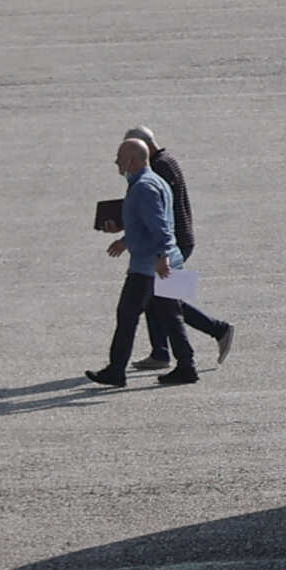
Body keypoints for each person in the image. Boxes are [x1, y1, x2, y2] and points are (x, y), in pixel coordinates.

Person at [85, 136, 197, 388]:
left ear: (132, 160)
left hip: (149, 267)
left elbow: (159, 228)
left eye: (120, 157)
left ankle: (116, 371)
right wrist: (126, 238)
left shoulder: (143, 187)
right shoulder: (153, 181)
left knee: (127, 315)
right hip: (170, 260)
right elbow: (151, 225)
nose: (116, 161)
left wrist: (161, 258)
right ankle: (187, 366)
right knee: (172, 315)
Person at [125, 124, 235, 371]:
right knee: (159, 298)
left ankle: (218, 329)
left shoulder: (159, 166)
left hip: (172, 243)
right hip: (178, 239)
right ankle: (161, 352)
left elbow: (154, 209)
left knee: (167, 299)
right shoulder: (167, 160)